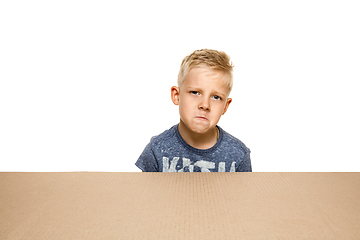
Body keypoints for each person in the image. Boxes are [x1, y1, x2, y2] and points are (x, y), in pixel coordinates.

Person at [135, 49, 252, 172]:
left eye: (216, 97)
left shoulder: (238, 155)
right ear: (176, 96)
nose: (205, 105)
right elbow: (144, 191)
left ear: (225, 106)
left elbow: (245, 191)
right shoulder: (157, 150)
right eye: (195, 92)